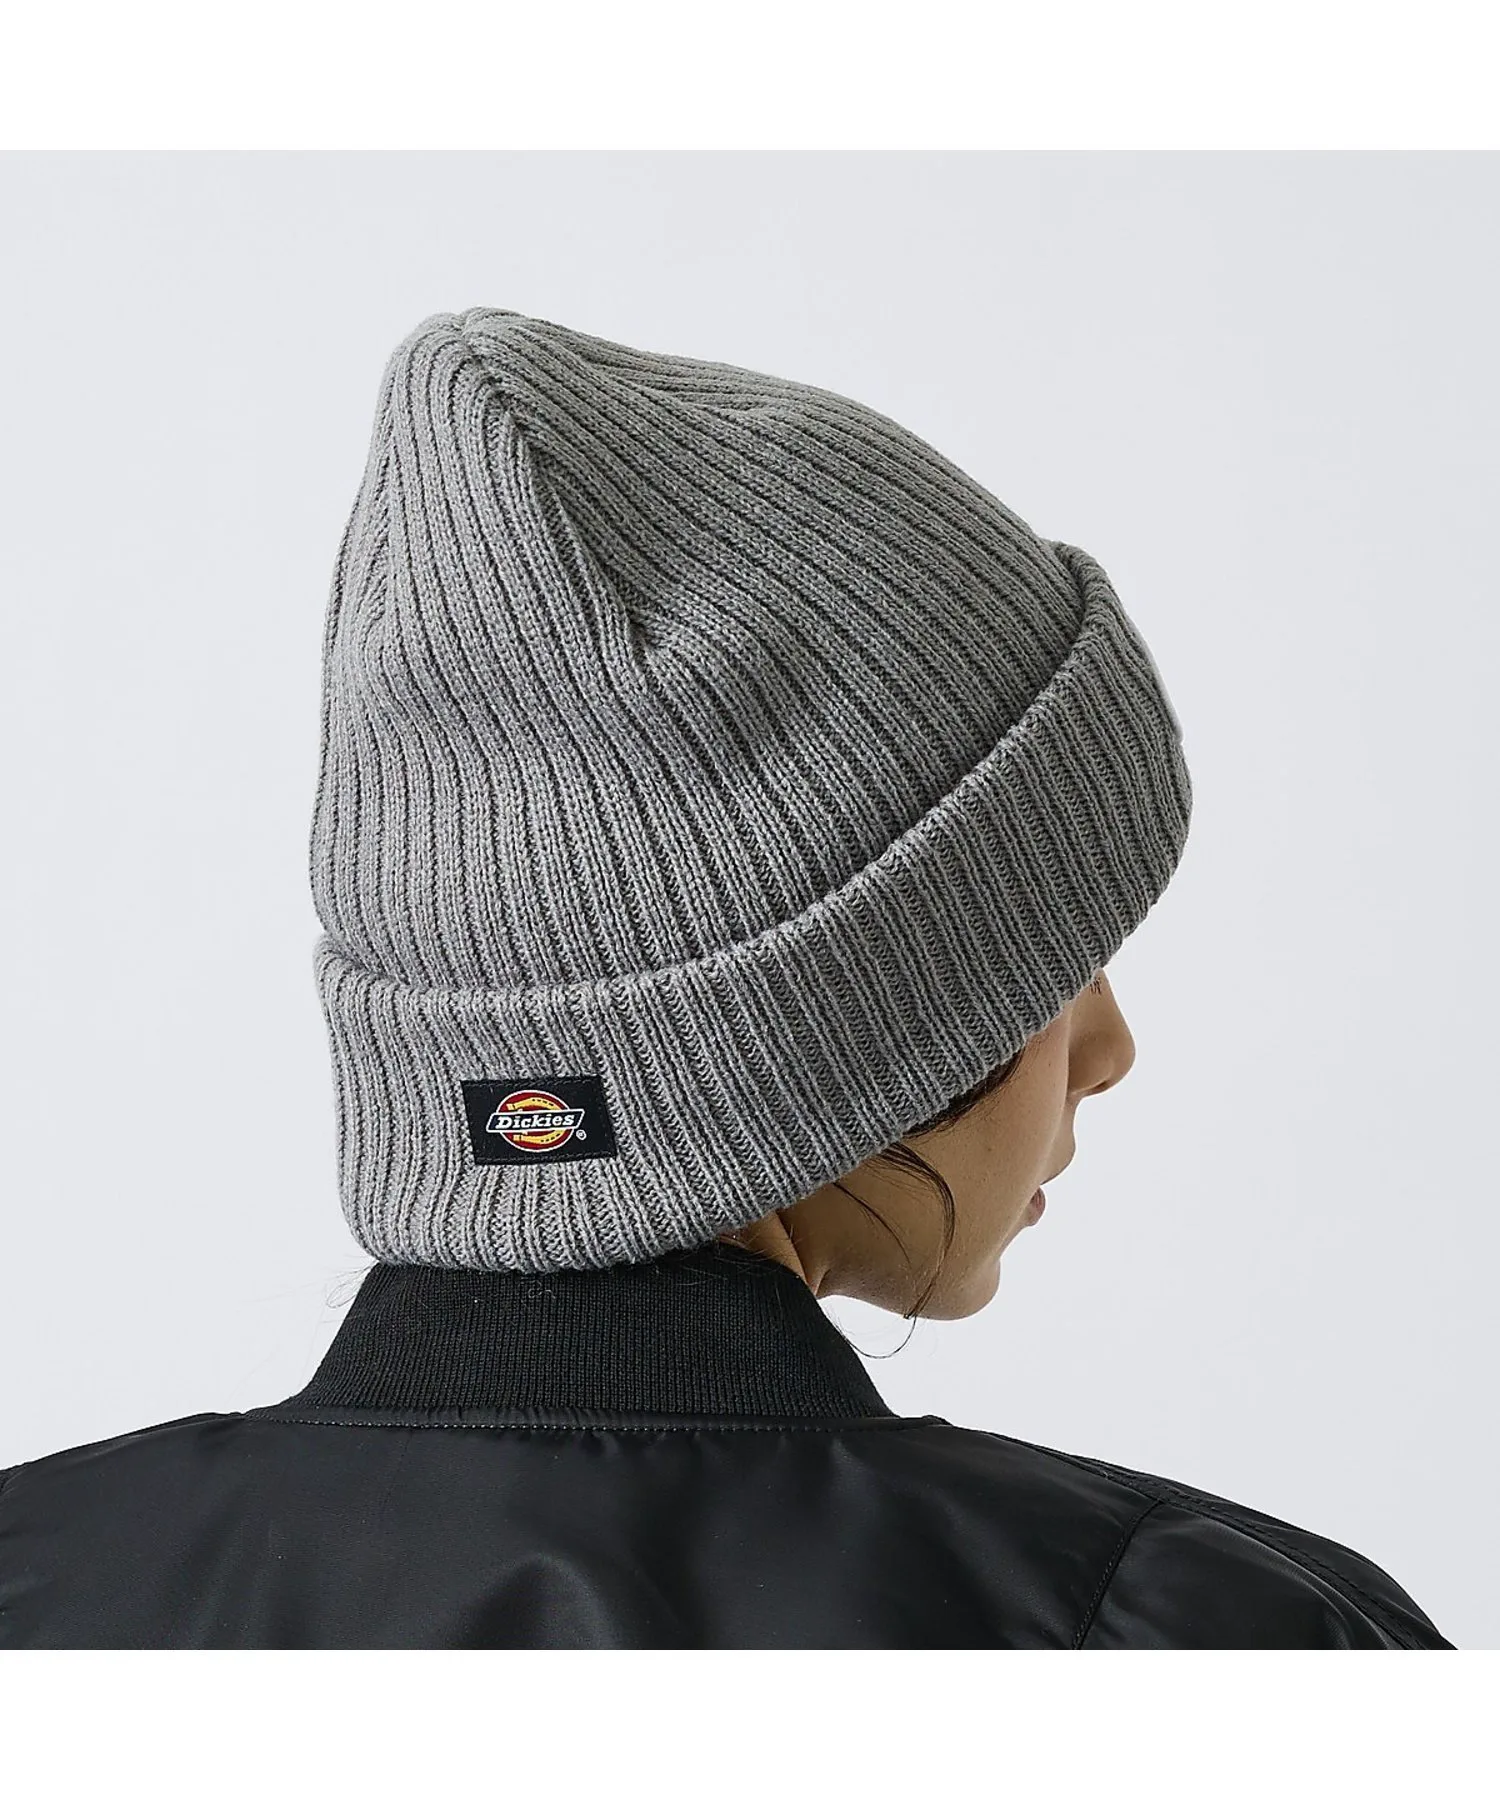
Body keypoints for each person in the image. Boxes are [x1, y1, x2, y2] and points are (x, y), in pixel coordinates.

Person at [0, 307, 1452, 1649]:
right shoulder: (1207, 1643)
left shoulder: (47, 1587)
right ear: (859, 1028)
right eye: (1053, 964)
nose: (1111, 1047)